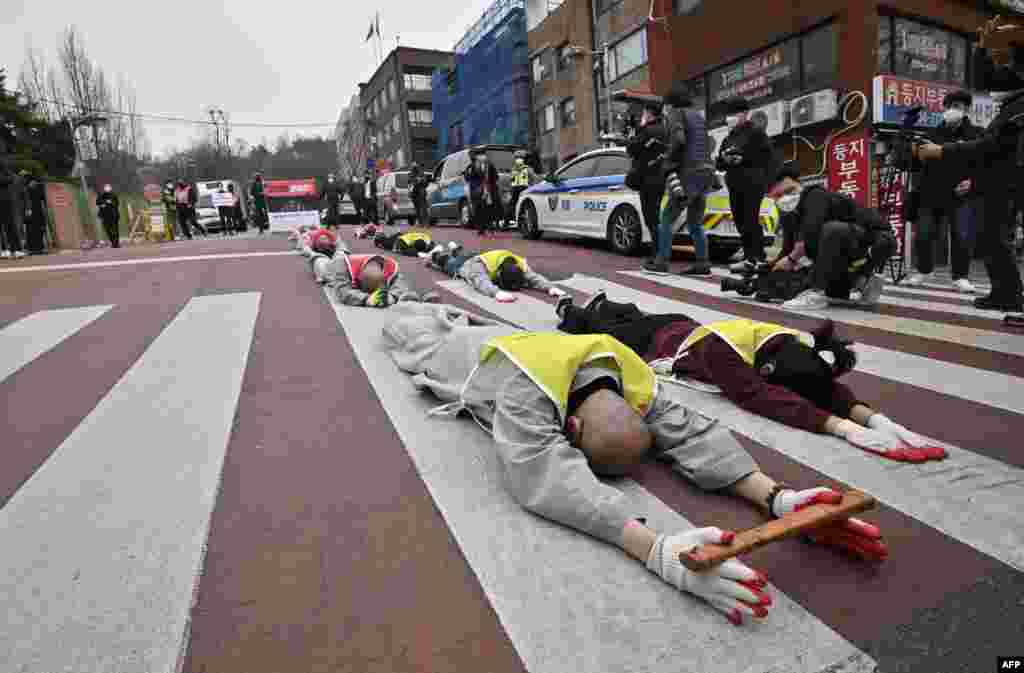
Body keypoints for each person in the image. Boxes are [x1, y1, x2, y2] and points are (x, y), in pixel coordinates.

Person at [381, 307, 887, 625]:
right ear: (570, 430)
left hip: (518, 340)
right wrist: (657, 552)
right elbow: (543, 474)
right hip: (459, 353)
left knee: (445, 314)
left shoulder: (634, 381)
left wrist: (778, 497)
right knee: (405, 323)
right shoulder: (524, 394)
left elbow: (692, 432)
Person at [554, 293, 946, 463]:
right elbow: (757, 395)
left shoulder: (789, 344)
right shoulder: (726, 354)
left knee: (629, 314)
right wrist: (843, 429)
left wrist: (878, 420)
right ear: (769, 370)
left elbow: (820, 383)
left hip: (680, 326)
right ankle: (569, 308)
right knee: (593, 330)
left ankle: (603, 307)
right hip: (658, 341)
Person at [914, 17, 1024, 313]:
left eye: (1008, 64)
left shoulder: (1018, 108)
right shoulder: (1010, 103)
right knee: (989, 238)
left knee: (993, 238)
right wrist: (981, 48)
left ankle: (1010, 293)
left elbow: (990, 146)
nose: (1000, 72)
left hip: (1009, 183)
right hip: (994, 184)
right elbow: (983, 80)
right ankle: (1004, 292)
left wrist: (942, 152)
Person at [765, 163, 896, 310]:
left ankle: (817, 292)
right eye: (778, 196)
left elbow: (810, 236)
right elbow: (788, 249)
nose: (785, 198)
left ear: (798, 185)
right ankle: (860, 282)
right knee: (836, 294)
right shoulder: (790, 214)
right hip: (850, 245)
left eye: (789, 191)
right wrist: (770, 268)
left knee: (831, 230)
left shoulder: (815, 195)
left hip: (878, 242)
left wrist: (792, 260)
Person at [905, 90, 983, 292]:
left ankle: (960, 277)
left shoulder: (977, 134)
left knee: (962, 235)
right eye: (949, 107)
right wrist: (913, 151)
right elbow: (912, 164)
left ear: (966, 110)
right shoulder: (931, 135)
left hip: (962, 195)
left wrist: (973, 181)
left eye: (957, 107)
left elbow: (987, 165)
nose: (952, 111)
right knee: (923, 234)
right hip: (931, 195)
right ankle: (924, 270)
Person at [652, 83, 717, 276]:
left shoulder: (675, 114)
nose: (664, 109)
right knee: (695, 222)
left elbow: (679, 140)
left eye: (665, 105)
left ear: (670, 103)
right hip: (706, 173)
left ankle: (661, 261)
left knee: (666, 218)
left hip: (688, 174)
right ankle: (702, 263)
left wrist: (668, 160)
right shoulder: (698, 116)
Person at [716, 96, 779, 272]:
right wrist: (725, 159)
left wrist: (743, 158)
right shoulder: (729, 137)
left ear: (745, 114)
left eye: (733, 114)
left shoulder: (756, 132)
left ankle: (757, 257)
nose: (729, 118)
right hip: (734, 184)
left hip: (752, 182)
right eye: (728, 114)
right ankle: (749, 257)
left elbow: (767, 156)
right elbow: (719, 163)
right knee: (740, 221)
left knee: (751, 220)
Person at [423, 245, 565, 303]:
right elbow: (481, 281)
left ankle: (456, 248)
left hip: (480, 255)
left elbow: (534, 278)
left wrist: (550, 287)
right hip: (468, 263)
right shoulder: (479, 267)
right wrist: (496, 293)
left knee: (463, 254)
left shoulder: (519, 264)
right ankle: (434, 255)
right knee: (449, 263)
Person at [624, 98, 669, 273]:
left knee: (651, 219)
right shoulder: (665, 130)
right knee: (655, 217)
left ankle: (657, 256)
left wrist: (639, 129)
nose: (642, 115)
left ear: (649, 114)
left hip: (647, 179)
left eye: (644, 112)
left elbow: (632, 149)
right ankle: (658, 254)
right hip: (660, 178)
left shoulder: (647, 130)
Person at [319, 245, 438, 307]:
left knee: (342, 250)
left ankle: (340, 246)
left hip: (360, 260)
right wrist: (365, 299)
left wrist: (393, 296)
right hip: (330, 266)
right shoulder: (342, 266)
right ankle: (311, 248)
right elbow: (343, 292)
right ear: (359, 278)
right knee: (320, 259)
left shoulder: (390, 267)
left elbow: (400, 283)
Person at [463, 148, 501, 237]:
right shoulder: (486, 165)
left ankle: (484, 228)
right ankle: (486, 228)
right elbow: (496, 177)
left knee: (481, 209)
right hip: (484, 191)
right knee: (485, 209)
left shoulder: (472, 166)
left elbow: (467, 178)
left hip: (481, 191)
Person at [0, 158, 27, 258]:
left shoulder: (3, 166)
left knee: (10, 225)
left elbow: (10, 178)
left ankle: (16, 249)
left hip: (5, 200)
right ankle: (3, 249)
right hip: (5, 199)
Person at [509, 150, 537, 228]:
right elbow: (533, 179)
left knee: (513, 205)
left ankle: (508, 221)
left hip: (516, 189)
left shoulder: (514, 169)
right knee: (523, 206)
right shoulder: (527, 168)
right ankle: (519, 222)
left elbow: (511, 180)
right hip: (524, 189)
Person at [24, 171, 48, 254]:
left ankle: (38, 247)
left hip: (36, 212)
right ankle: (33, 248)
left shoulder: (37, 187)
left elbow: (44, 199)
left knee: (37, 230)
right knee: (32, 230)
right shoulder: (27, 188)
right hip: (32, 212)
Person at [96, 183, 121, 248]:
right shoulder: (101, 195)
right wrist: (104, 203)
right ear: (104, 188)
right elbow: (98, 203)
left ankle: (116, 243)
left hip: (113, 215)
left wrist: (110, 203)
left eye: (108, 187)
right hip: (105, 216)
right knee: (108, 230)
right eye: (106, 187)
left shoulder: (114, 195)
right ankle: (113, 242)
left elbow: (117, 203)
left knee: (115, 229)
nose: (107, 188)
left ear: (110, 188)